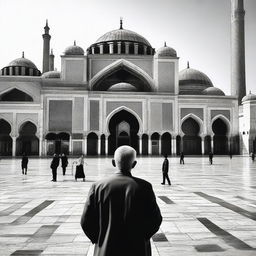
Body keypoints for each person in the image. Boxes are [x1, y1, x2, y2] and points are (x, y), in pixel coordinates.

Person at [81, 146, 162, 256]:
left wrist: (101, 239)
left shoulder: (98, 187)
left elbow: (86, 222)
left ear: (113, 162)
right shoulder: (144, 187)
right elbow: (155, 220)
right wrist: (141, 238)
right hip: (137, 249)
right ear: (134, 164)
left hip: (106, 250)